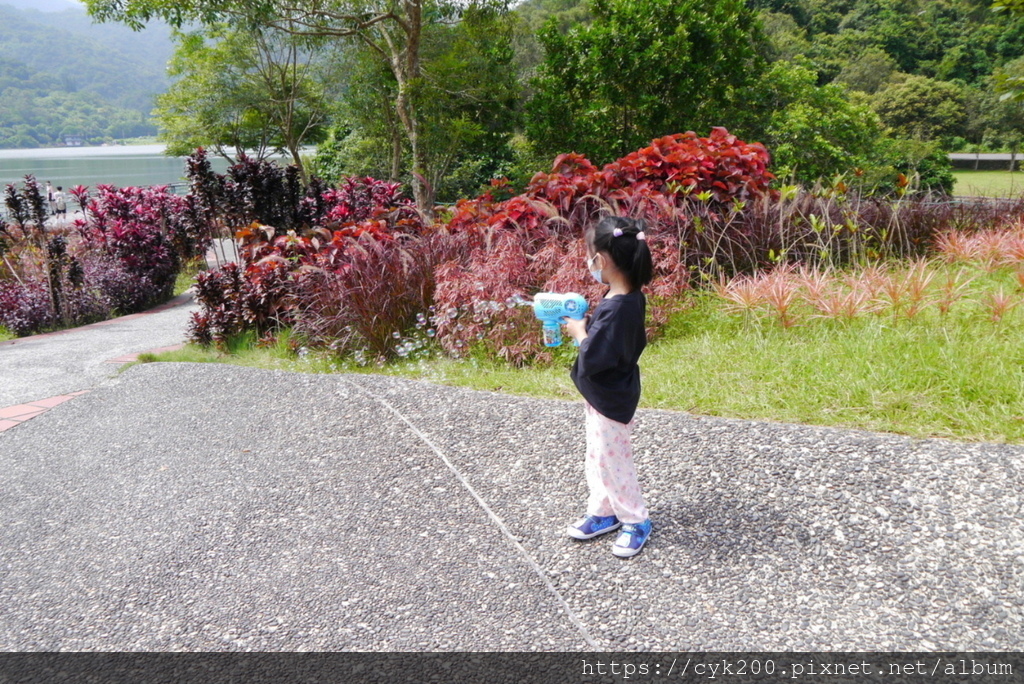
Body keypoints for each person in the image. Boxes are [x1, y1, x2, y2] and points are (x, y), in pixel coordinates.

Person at [563, 215, 655, 558]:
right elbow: (611, 344)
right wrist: (590, 326)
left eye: (590, 258)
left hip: (610, 398)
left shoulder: (617, 308)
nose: (589, 264)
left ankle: (635, 519)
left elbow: (594, 356)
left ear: (600, 260)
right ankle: (604, 512)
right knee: (599, 457)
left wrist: (579, 333)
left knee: (614, 462)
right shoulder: (626, 296)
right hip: (607, 393)